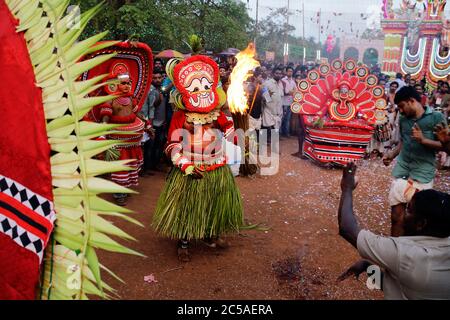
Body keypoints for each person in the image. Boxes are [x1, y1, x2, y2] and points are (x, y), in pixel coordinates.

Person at [152, 54, 244, 262]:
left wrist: (233, 134)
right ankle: (183, 242)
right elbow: (173, 145)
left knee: (215, 202)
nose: (201, 91)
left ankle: (210, 235)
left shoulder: (216, 111)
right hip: (190, 168)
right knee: (187, 206)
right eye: (195, 88)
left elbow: (228, 127)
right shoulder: (179, 116)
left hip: (216, 166)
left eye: (204, 86)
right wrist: (185, 166)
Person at [337, 163, 450, 300]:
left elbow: (347, 228)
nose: (403, 214)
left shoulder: (407, 255)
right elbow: (399, 287)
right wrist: (367, 266)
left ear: (421, 224)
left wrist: (347, 188)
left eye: (409, 210)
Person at [382, 86, 446, 236]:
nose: (401, 111)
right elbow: (403, 142)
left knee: (416, 221)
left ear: (412, 101)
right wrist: (391, 155)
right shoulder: (404, 120)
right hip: (402, 171)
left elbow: (445, 146)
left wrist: (423, 140)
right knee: (396, 217)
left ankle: (409, 252)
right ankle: (395, 249)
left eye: (402, 106)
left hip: (422, 175)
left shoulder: (436, 117)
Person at [141, 68, 166, 174]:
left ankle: (150, 166)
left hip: (159, 122)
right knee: (149, 146)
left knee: (155, 145)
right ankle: (146, 168)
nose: (157, 80)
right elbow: (151, 108)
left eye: (159, 78)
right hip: (151, 123)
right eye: (154, 78)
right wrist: (150, 125)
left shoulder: (160, 90)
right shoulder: (151, 90)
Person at [261, 67, 284, 145]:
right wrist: (268, 98)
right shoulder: (267, 83)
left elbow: (281, 97)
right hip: (268, 109)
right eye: (277, 73)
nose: (278, 75)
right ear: (273, 74)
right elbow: (264, 97)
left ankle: (271, 142)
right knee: (267, 125)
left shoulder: (281, 84)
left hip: (278, 110)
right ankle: (265, 142)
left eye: (280, 73)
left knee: (275, 126)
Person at [280, 66, 296, 138]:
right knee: (282, 118)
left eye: (291, 71)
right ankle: (280, 133)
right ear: (286, 72)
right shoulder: (283, 80)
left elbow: (295, 91)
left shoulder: (293, 81)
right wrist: (290, 92)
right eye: (289, 71)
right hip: (283, 102)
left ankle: (286, 133)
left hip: (290, 102)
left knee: (288, 118)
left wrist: (293, 92)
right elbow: (283, 92)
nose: (290, 72)